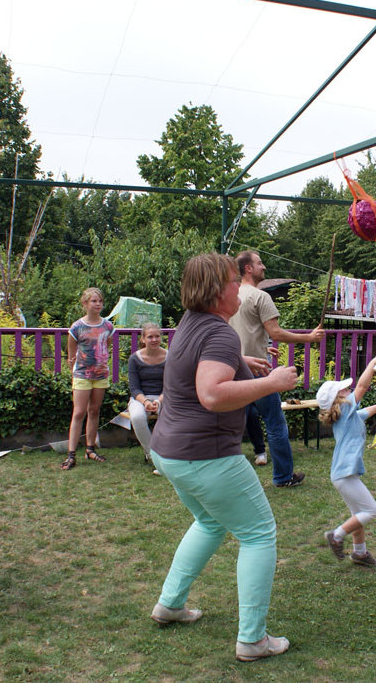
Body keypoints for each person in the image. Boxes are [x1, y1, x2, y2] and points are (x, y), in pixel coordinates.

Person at [148, 252, 299, 662]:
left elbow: (195, 367)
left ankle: (170, 604)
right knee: (259, 533)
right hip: (206, 456)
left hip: (169, 451)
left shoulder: (191, 322)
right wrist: (271, 382)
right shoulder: (220, 333)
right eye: (235, 282)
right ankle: (252, 640)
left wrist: (238, 362)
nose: (241, 289)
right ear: (217, 290)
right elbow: (212, 394)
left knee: (210, 522)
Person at [229, 250, 324, 487]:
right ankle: (283, 476)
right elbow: (276, 333)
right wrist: (309, 337)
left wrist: (262, 347)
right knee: (275, 423)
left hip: (233, 369)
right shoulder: (260, 296)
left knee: (230, 425)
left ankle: (225, 477)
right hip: (257, 372)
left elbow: (241, 332)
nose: (264, 267)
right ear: (248, 268)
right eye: (259, 263)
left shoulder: (230, 295)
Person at [317, 353, 376, 566]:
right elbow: (362, 387)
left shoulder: (348, 415)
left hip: (342, 474)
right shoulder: (346, 408)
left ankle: (359, 553)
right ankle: (337, 535)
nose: (348, 389)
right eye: (344, 390)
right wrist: (373, 363)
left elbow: (364, 413)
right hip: (345, 474)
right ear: (338, 399)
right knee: (371, 510)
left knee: (358, 513)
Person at [61, 287, 114, 470]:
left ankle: (90, 449)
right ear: (85, 303)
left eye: (100, 301)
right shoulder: (77, 327)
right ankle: (71, 454)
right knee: (78, 413)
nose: (98, 304)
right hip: (82, 375)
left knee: (94, 410)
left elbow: (106, 346)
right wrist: (75, 370)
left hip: (101, 374)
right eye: (94, 301)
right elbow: (71, 354)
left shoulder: (108, 326)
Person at [127, 322, 166, 462]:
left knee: (170, 416)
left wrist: (158, 402)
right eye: (150, 337)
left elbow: (170, 386)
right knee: (137, 417)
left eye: (157, 336)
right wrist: (145, 402)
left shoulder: (170, 357)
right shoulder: (134, 359)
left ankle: (168, 453)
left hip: (164, 397)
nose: (154, 340)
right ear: (143, 339)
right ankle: (152, 455)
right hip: (140, 398)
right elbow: (134, 388)